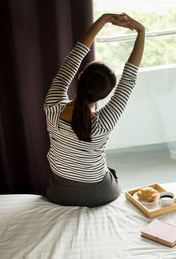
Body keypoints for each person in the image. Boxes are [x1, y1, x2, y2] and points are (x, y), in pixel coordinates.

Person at [44, 13, 145, 207]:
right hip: (99, 194)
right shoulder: (104, 123)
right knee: (111, 172)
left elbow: (74, 58)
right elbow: (129, 78)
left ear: (80, 76)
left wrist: (105, 19)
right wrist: (141, 31)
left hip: (59, 193)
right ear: (106, 96)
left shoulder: (52, 108)